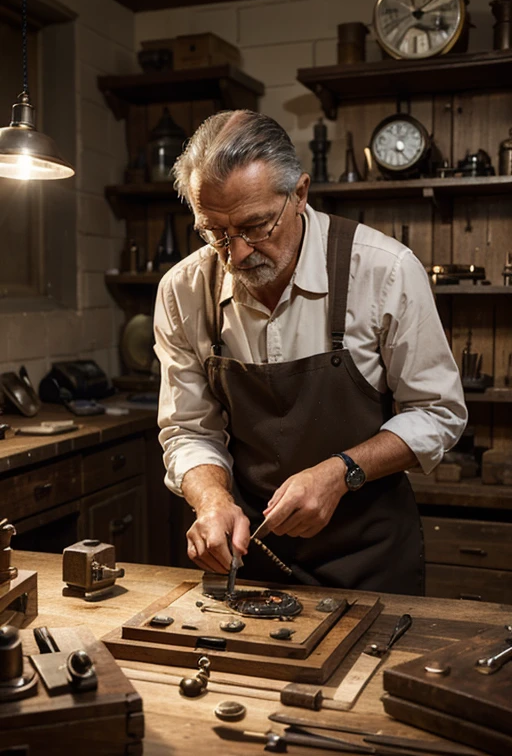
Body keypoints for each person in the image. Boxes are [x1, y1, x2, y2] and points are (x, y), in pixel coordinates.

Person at [153, 110, 467, 595]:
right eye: (214, 232)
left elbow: (438, 412)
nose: (235, 253)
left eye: (256, 226)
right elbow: (188, 428)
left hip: (371, 557)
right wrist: (211, 500)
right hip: (251, 554)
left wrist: (340, 472)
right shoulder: (182, 290)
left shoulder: (385, 270)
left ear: (299, 194)